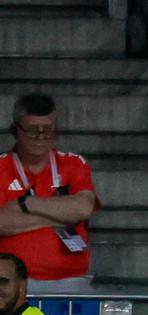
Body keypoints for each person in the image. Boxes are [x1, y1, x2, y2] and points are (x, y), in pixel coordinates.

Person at [0, 94, 100, 292]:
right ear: (16, 130)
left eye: (47, 130)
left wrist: (27, 203)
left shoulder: (73, 163)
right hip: (11, 285)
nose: (40, 137)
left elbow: (83, 208)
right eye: (31, 130)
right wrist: (63, 215)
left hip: (72, 281)